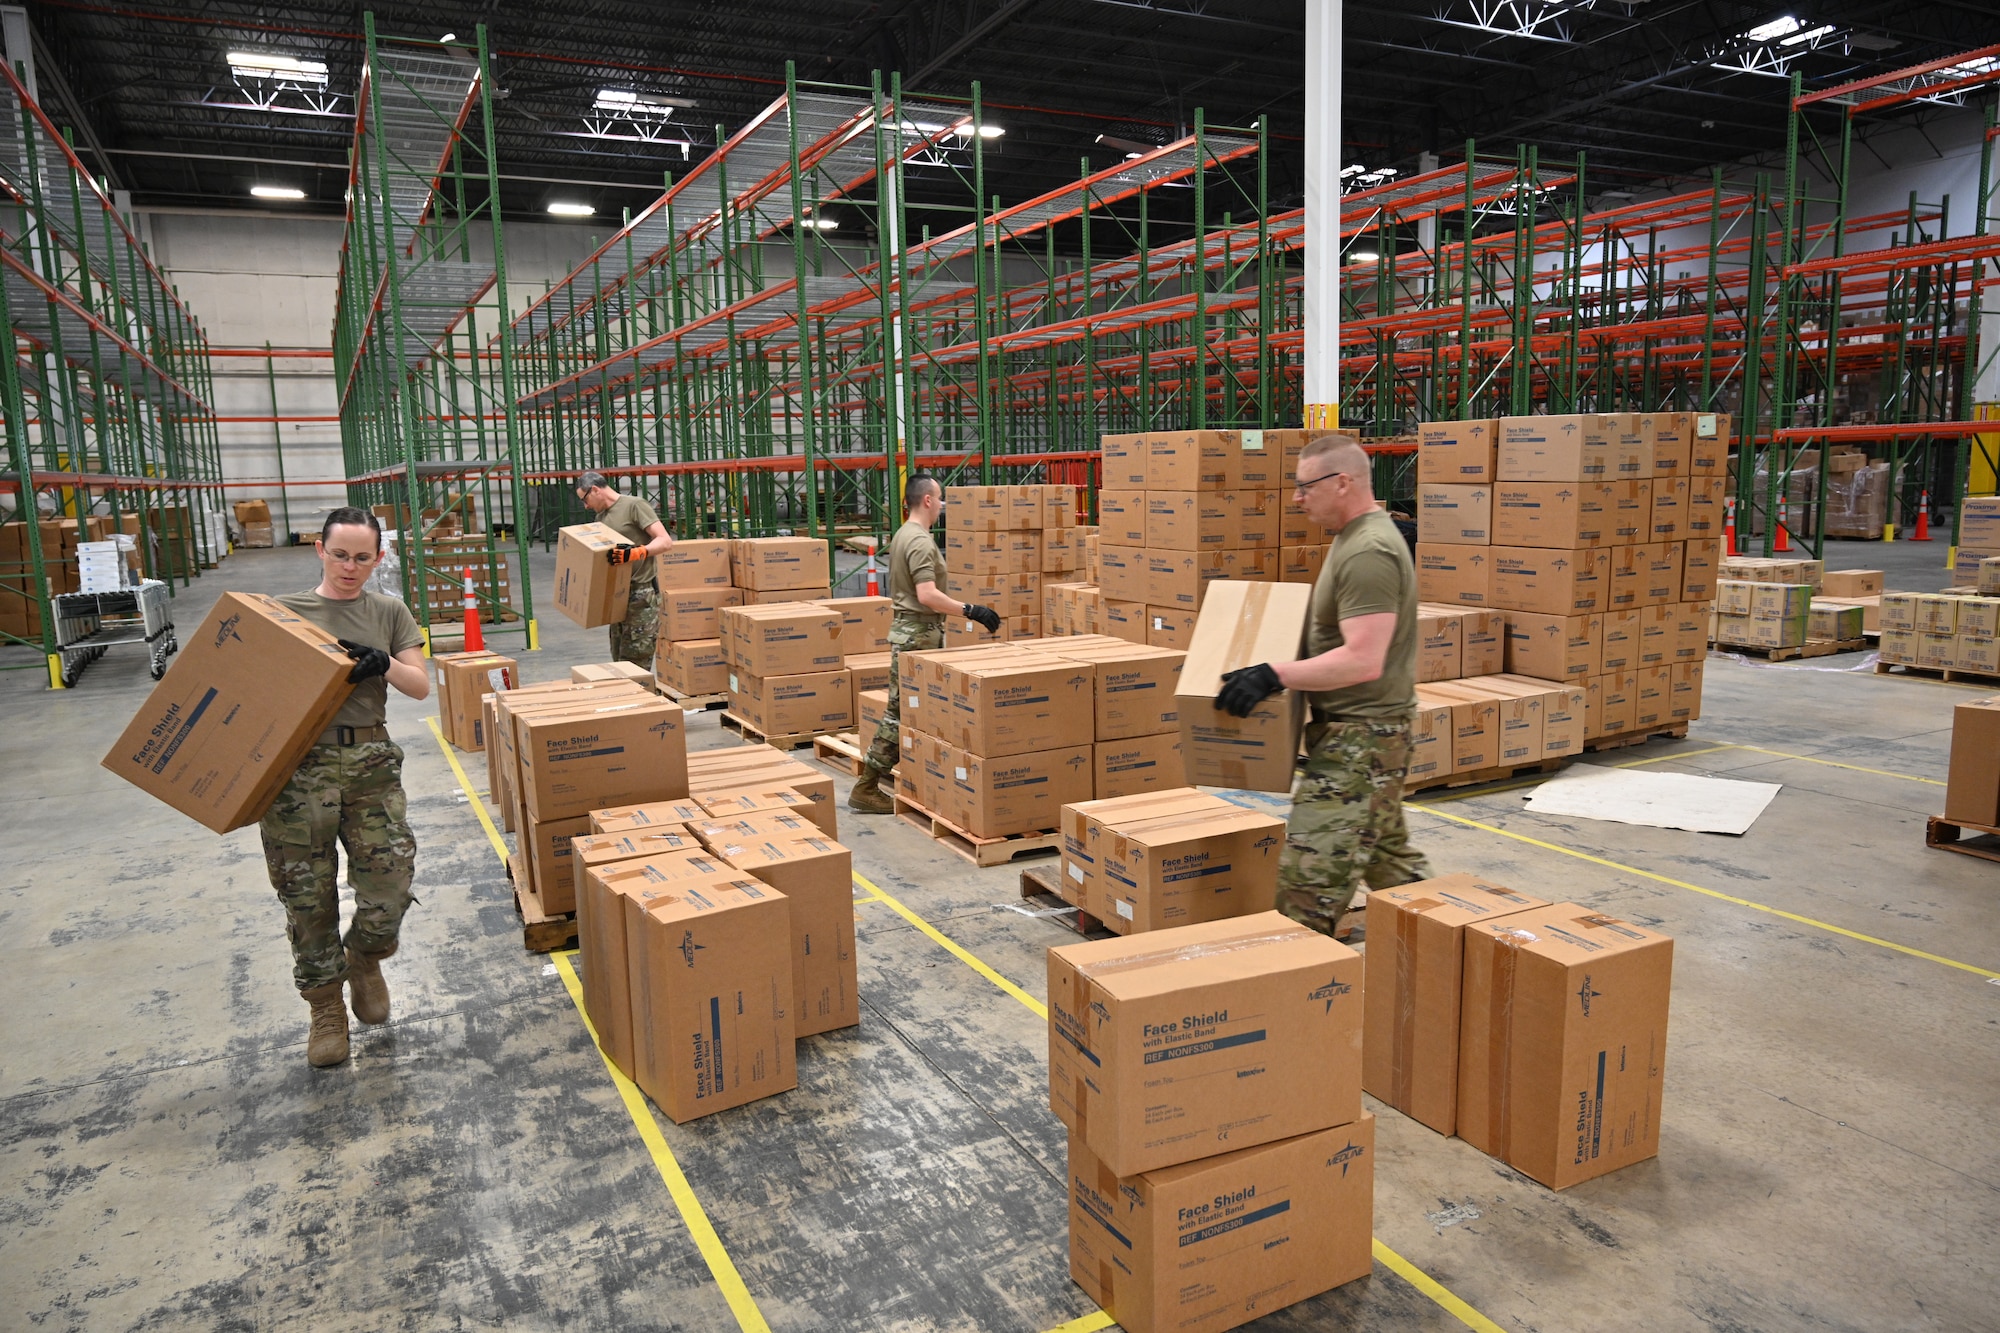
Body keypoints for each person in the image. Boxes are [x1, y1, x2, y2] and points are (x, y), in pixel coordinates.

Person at [1213, 434, 1432, 935]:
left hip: (1361, 743)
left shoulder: (1368, 551)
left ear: (1342, 483)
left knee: (1306, 886)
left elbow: (1363, 660)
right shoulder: (1353, 539)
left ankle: (1299, 998)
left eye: (1304, 486)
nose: (1296, 498)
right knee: (1391, 864)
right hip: (1360, 735)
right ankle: (1457, 949)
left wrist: (1274, 675)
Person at [265, 507, 430, 1067]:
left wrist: (382, 663)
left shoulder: (388, 611)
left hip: (370, 761)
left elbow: (421, 686)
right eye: (340, 555)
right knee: (306, 896)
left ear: (378, 558)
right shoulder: (286, 613)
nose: (350, 567)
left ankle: (365, 956)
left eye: (363, 557)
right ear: (320, 549)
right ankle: (325, 1009)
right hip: (297, 768)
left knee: (389, 883)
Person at [849, 475, 1001, 813]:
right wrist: (970, 611)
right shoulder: (918, 540)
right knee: (901, 710)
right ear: (928, 501)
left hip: (916, 632)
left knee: (918, 709)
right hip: (918, 635)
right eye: (940, 498)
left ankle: (927, 777)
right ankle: (867, 785)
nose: (943, 505)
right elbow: (927, 595)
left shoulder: (905, 534)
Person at [577, 470, 676, 669]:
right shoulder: (600, 518)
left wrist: (637, 553)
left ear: (595, 490)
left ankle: (644, 698)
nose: (585, 506)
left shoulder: (634, 506)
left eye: (585, 499)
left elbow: (665, 541)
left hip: (641, 595)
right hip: (618, 596)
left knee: (637, 660)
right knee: (620, 659)